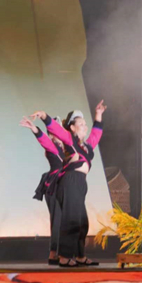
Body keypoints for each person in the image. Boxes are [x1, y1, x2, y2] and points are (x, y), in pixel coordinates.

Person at [32, 100, 106, 267]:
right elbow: (56, 129)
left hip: (80, 184)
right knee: (71, 220)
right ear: (72, 127)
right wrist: (44, 116)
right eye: (81, 124)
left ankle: (80, 255)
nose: (85, 127)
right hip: (70, 181)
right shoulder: (70, 141)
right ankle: (64, 257)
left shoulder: (86, 147)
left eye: (85, 124)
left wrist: (98, 115)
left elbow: (96, 134)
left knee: (82, 222)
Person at [20, 115, 66, 265]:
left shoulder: (65, 147)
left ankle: (59, 253)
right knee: (57, 219)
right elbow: (43, 140)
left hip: (64, 185)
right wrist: (35, 129)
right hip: (54, 185)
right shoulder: (52, 145)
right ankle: (54, 252)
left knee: (63, 219)